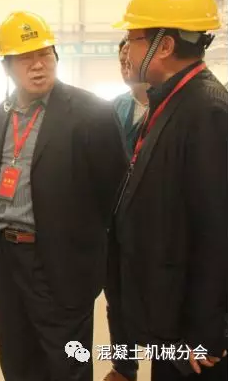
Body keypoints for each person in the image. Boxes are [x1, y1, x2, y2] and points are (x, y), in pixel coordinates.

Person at [0, 11, 128, 381]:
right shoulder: (1, 114)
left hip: (62, 266)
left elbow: (115, 195)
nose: (38, 65)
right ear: (6, 66)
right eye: (25, 57)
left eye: (45, 54)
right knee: (18, 362)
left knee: (67, 367)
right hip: (10, 260)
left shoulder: (92, 113)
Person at [111, 0, 228, 381]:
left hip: (194, 343)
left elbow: (218, 232)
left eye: (133, 37)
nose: (127, 48)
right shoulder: (172, 99)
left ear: (164, 46)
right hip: (170, 320)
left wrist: (204, 332)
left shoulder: (208, 112)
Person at [103, 38, 151, 381]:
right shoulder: (113, 109)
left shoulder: (172, 107)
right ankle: (124, 365)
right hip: (116, 220)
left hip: (155, 222)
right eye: (120, 59)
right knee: (116, 296)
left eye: (129, 57)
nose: (125, 65)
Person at [112, 37, 151, 155]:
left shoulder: (168, 104)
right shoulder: (115, 106)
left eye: (130, 61)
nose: (126, 67)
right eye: (123, 62)